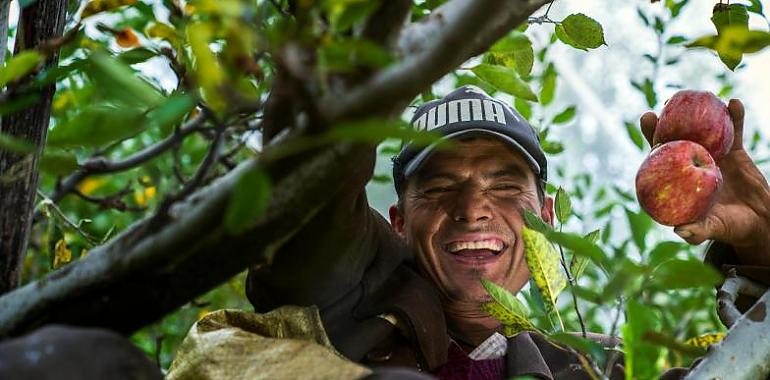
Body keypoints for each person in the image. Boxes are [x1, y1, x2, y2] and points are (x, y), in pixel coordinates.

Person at [245, 85, 770, 379]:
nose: (473, 210)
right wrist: (362, 73)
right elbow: (310, 200)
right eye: (440, 187)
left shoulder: (596, 368)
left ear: (545, 218)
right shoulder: (342, 314)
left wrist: (762, 243)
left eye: (503, 186)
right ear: (398, 224)